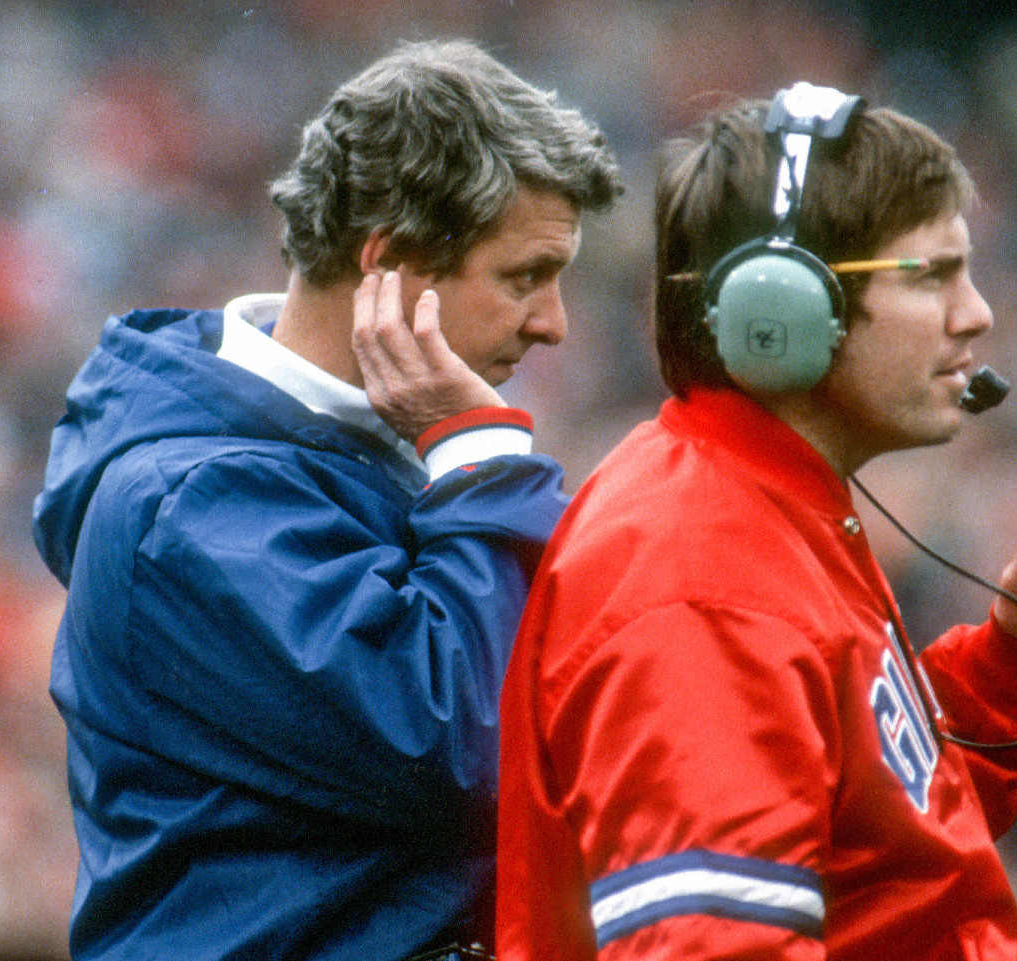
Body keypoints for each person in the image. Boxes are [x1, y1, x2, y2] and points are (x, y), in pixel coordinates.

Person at [494, 83, 1017, 960]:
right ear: (783, 310)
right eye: (933, 273)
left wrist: (1009, 672)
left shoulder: (762, 511)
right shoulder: (702, 583)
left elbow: (876, 855)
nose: (978, 314)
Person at [32, 38, 622, 961]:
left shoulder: (395, 441)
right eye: (522, 277)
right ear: (386, 262)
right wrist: (478, 458)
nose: (554, 323)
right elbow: (470, 747)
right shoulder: (183, 507)